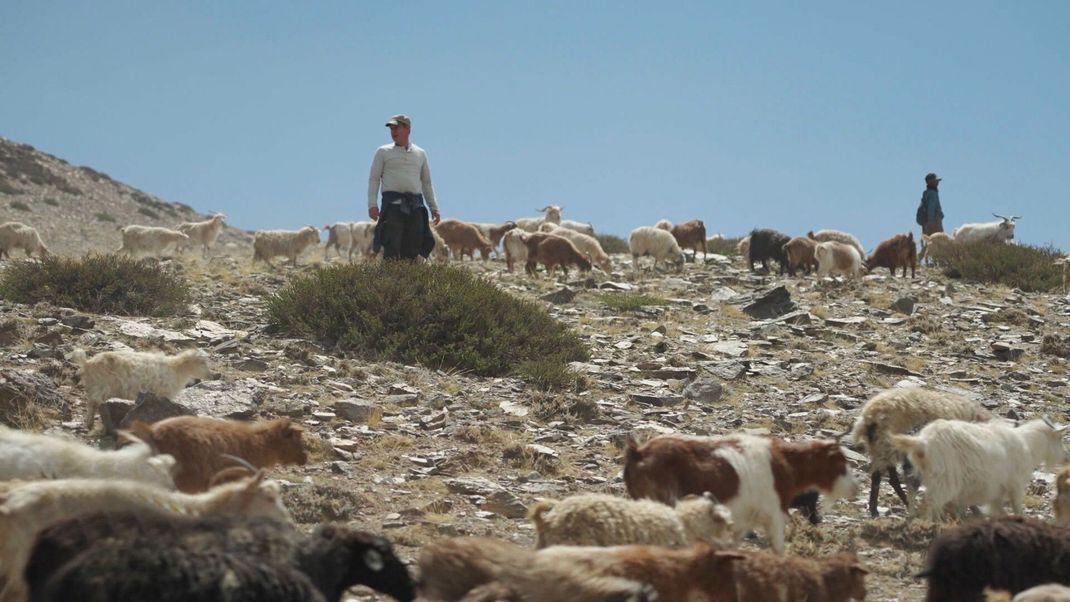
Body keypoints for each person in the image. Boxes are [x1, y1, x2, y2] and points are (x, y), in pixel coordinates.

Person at [367, 114, 441, 260]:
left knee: (414, 246)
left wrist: (434, 207)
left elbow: (426, 183)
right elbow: (374, 179)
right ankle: (390, 280)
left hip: (416, 206)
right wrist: (372, 204)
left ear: (407, 129)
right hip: (392, 206)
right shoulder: (383, 152)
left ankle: (409, 279)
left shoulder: (420, 153)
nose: (393, 132)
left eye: (397, 128)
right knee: (391, 245)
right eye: (391, 128)